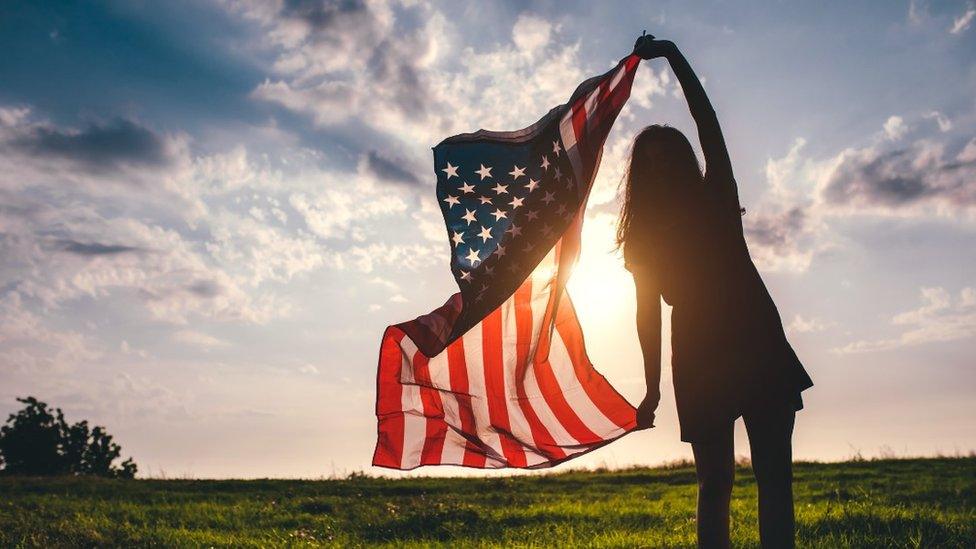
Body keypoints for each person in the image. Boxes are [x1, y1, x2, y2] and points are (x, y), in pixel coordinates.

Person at [623, 35, 814, 548]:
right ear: (642, 174)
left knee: (775, 478)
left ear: (687, 161)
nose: (662, 168)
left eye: (670, 157)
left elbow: (707, 122)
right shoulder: (641, 237)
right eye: (652, 161)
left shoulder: (717, 196)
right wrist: (651, 389)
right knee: (715, 485)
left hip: (755, 339)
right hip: (699, 355)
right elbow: (647, 315)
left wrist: (674, 56)